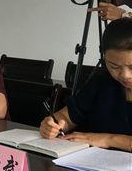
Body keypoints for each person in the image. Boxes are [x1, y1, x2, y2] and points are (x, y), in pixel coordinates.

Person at [40, 18, 132, 152]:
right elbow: (67, 117)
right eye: (114, 66)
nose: (125, 75)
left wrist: (108, 139)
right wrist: (52, 125)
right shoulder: (102, 82)